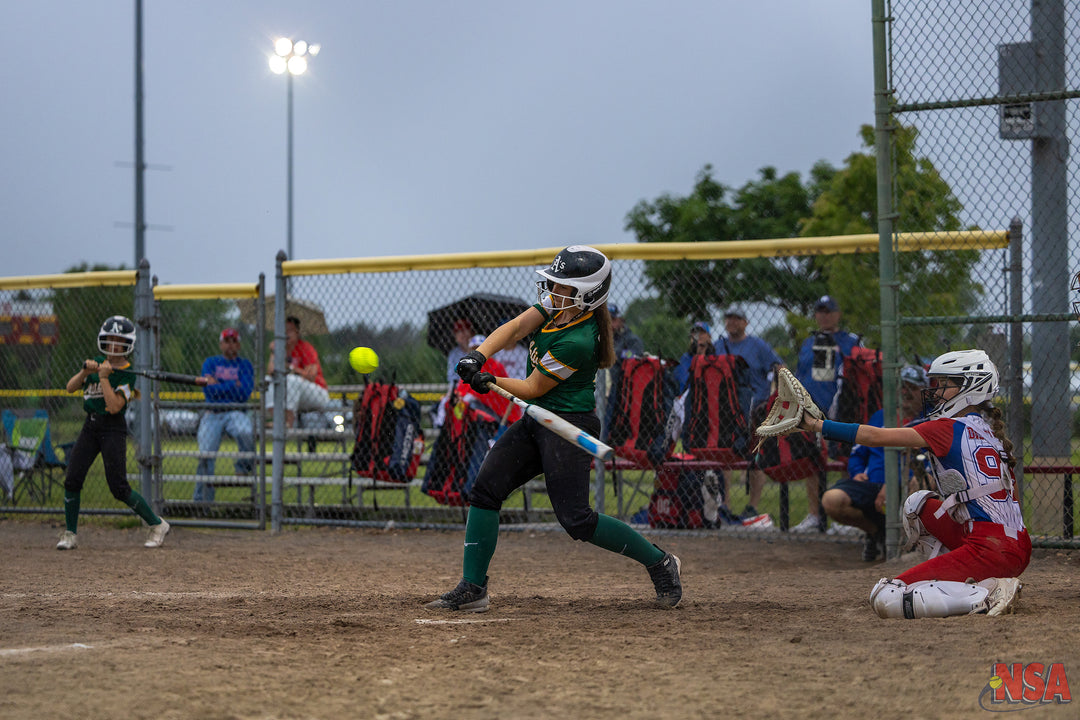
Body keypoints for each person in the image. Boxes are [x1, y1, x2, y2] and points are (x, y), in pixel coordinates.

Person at [426, 245, 683, 612]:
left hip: (567, 425)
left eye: (563, 287)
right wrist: (478, 355)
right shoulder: (556, 308)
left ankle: (660, 561)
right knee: (485, 490)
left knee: (577, 520)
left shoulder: (578, 340)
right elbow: (516, 327)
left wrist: (489, 379)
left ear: (587, 296)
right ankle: (473, 587)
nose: (553, 291)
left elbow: (531, 388)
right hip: (536, 419)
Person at [798, 349, 1028, 618]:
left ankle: (988, 594)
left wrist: (816, 425)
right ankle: (955, 578)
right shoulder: (990, 431)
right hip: (1013, 542)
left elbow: (873, 436)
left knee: (887, 597)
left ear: (971, 387)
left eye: (945, 385)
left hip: (991, 549)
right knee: (917, 505)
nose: (937, 391)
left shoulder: (946, 427)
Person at [57, 315, 170, 550]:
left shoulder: (128, 374)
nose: (113, 346)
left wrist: (105, 378)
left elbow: (114, 406)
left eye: (119, 341)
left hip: (112, 428)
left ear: (127, 345)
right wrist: (85, 373)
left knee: (118, 487)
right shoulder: (98, 363)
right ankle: (70, 534)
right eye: (110, 340)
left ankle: (157, 524)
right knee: (72, 478)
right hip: (90, 426)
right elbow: (70, 388)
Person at [821, 364, 928, 562]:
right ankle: (877, 532)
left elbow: (927, 466)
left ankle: (910, 544)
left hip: (904, 485)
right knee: (832, 500)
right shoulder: (882, 416)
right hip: (871, 483)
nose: (906, 392)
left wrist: (893, 483)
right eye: (902, 387)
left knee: (917, 485)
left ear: (923, 391)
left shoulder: (927, 422)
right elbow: (858, 453)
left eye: (912, 388)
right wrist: (857, 471)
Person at [791, 295, 863, 532]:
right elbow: (801, 374)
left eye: (828, 311)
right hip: (812, 409)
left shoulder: (850, 341)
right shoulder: (808, 342)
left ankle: (848, 516)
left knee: (845, 458)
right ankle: (814, 515)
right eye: (820, 311)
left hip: (842, 408)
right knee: (811, 460)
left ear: (837, 314)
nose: (824, 315)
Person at [716, 306, 784, 523]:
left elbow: (778, 366)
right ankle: (724, 504)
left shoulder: (757, 345)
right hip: (727, 411)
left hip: (755, 408)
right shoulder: (719, 346)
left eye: (737, 319)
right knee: (725, 457)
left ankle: (752, 506)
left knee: (757, 458)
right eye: (729, 318)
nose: (732, 322)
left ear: (746, 322)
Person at [193, 327, 255, 502]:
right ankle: (201, 502)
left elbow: (244, 393)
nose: (230, 344)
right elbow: (209, 392)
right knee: (205, 455)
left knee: (245, 433)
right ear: (221, 344)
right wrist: (232, 384)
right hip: (212, 413)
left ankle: (243, 467)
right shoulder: (210, 362)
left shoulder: (245, 365)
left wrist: (218, 384)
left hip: (237, 411)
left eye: (234, 341)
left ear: (239, 344)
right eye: (226, 341)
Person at [266, 315, 329, 428]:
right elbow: (270, 371)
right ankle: (277, 420)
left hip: (317, 393)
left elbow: (311, 376)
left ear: (297, 332)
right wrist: (274, 352)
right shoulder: (281, 350)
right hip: (294, 396)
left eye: (290, 330)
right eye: (283, 330)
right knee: (268, 380)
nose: (286, 334)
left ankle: (288, 423)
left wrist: (290, 369)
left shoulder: (305, 348)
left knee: (291, 379)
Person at [673, 320, 715, 394]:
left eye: (702, 333)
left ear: (709, 337)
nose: (698, 336)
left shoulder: (714, 358)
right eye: (695, 333)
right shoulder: (685, 358)